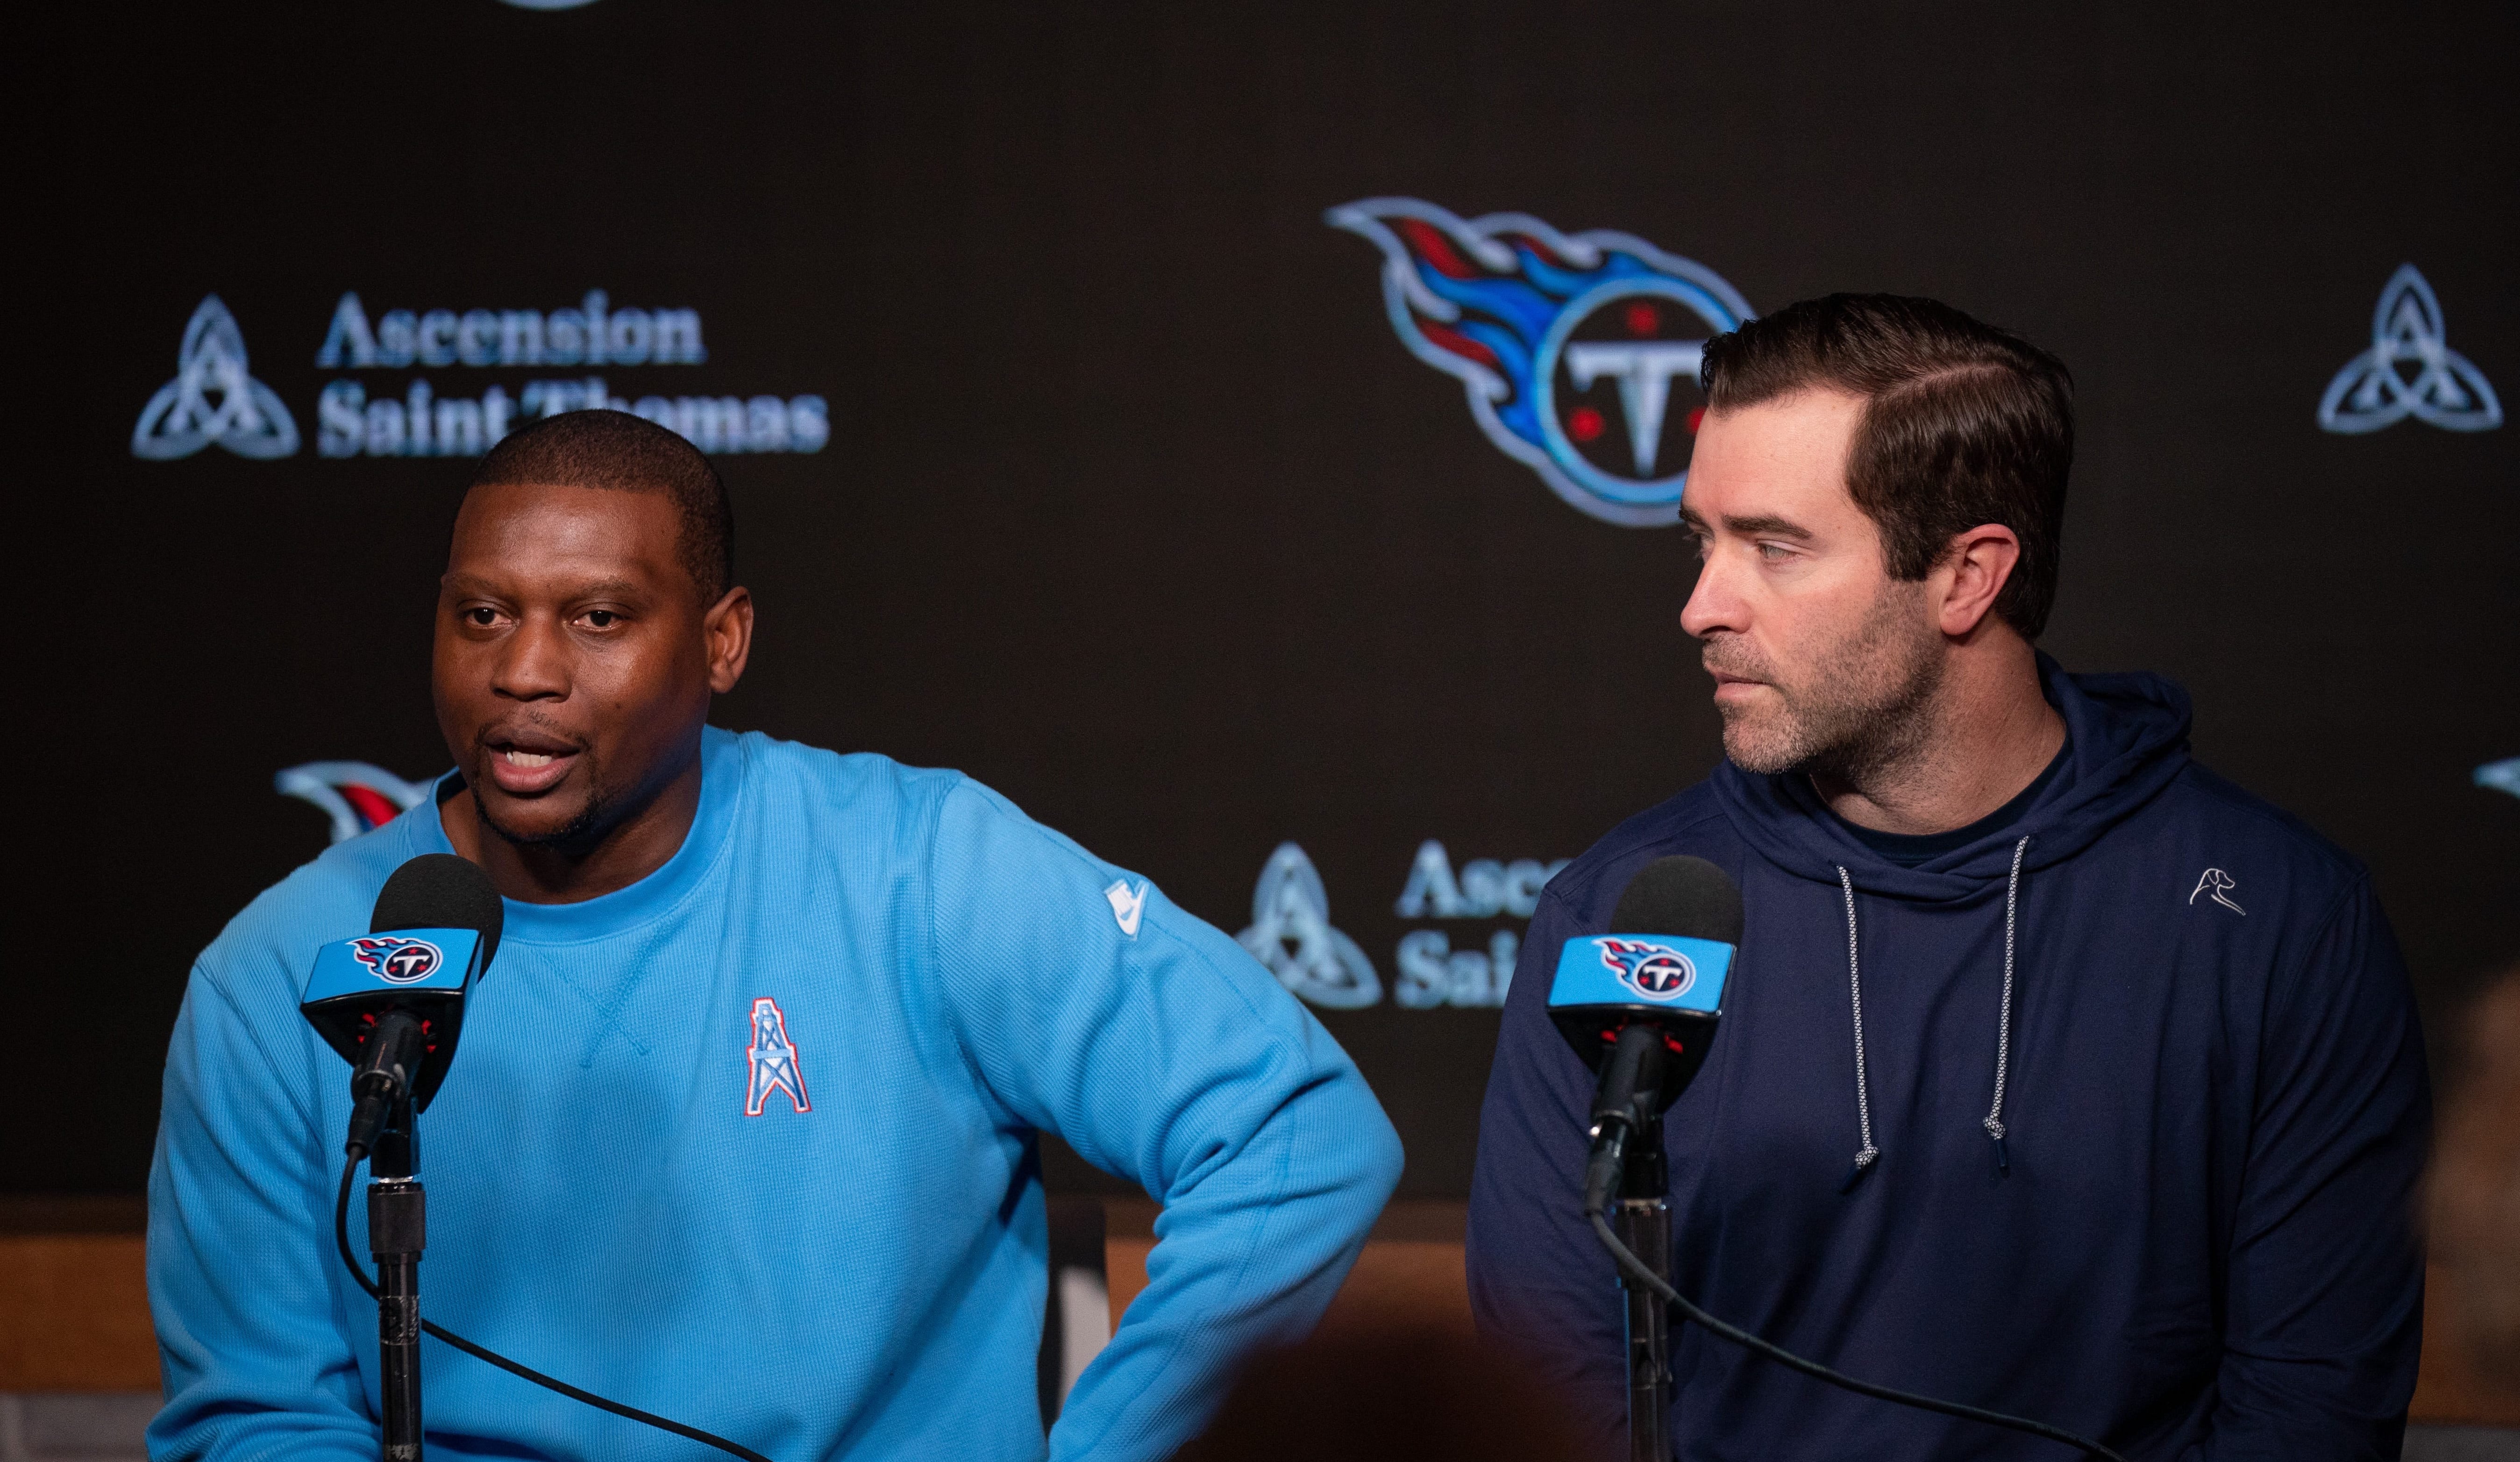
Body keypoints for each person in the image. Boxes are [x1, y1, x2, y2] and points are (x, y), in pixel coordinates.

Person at [147, 410, 1403, 1462]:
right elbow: (256, 1411)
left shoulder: (918, 869)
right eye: (483, 615)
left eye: (597, 618)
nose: (524, 669)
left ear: (723, 640)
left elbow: (1294, 1132)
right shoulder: (279, 974)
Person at [1465, 296, 2429, 1459]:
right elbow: (1549, 1381)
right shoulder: (1618, 912)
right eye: (1701, 542)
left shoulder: (2278, 920)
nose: (1701, 606)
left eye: (1774, 547)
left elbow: (2312, 1410)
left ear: (1969, 576)